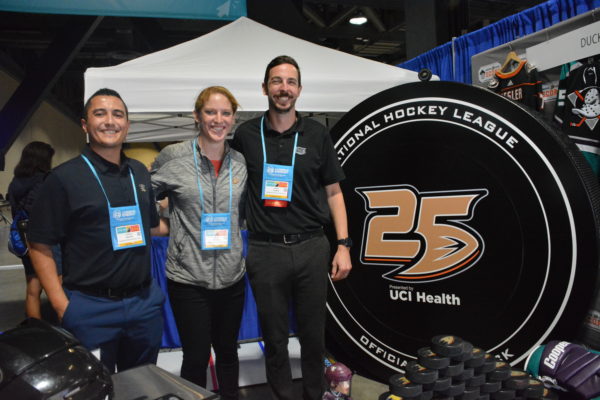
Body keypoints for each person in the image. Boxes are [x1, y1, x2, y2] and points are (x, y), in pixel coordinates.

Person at [231, 55, 352, 400]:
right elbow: (230, 184)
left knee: (314, 336)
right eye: (276, 81)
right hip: (265, 250)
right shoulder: (246, 135)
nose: (283, 89)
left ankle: (315, 395)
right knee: (274, 337)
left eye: (290, 82)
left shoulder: (316, 133)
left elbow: (334, 192)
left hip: (312, 246)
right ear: (264, 87)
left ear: (299, 89)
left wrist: (343, 244)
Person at [27, 88, 166, 373]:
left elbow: (151, 227)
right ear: (84, 124)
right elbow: (39, 245)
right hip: (90, 308)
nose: (109, 121)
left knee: (140, 383)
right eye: (99, 113)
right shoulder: (63, 179)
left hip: (143, 304)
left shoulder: (139, 173)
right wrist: (61, 304)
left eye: (118, 114)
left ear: (127, 125)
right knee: (94, 388)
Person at [151, 86, 247, 399]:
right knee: (195, 358)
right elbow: (142, 198)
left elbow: (245, 210)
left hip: (232, 277)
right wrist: (164, 223)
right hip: (188, 279)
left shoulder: (241, 163)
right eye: (210, 112)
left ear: (233, 118)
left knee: (229, 354)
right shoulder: (174, 157)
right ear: (197, 116)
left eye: (225, 113)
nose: (218, 119)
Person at [7, 141, 60, 319]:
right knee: (59, 285)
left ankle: (34, 330)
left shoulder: (16, 182)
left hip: (24, 239)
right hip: (46, 239)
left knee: (33, 287)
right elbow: (46, 211)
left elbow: (15, 210)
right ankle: (68, 331)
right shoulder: (45, 181)